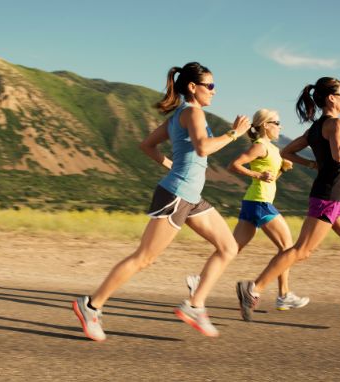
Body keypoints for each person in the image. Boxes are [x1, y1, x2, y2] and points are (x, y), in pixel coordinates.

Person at [72, 62, 251, 341]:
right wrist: (234, 134)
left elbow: (147, 145)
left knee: (228, 247)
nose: (214, 92)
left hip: (191, 197)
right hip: (176, 196)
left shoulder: (179, 115)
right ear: (193, 87)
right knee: (144, 258)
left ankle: (195, 305)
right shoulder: (192, 113)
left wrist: (171, 163)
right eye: (211, 86)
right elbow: (203, 147)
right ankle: (91, 306)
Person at [235, 77, 340, 324]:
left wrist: (312, 164)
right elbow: (339, 156)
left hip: (336, 199)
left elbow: (287, 152)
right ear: (332, 98)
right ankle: (253, 289)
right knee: (302, 250)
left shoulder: (316, 128)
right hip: (327, 197)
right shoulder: (336, 123)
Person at [185, 108, 310, 311]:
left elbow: (269, 179)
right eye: (277, 123)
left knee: (232, 248)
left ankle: (198, 281)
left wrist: (281, 171)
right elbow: (233, 165)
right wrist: (257, 175)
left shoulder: (272, 148)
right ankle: (284, 295)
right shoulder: (260, 146)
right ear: (266, 125)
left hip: (254, 202)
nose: (280, 127)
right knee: (288, 248)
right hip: (259, 203)